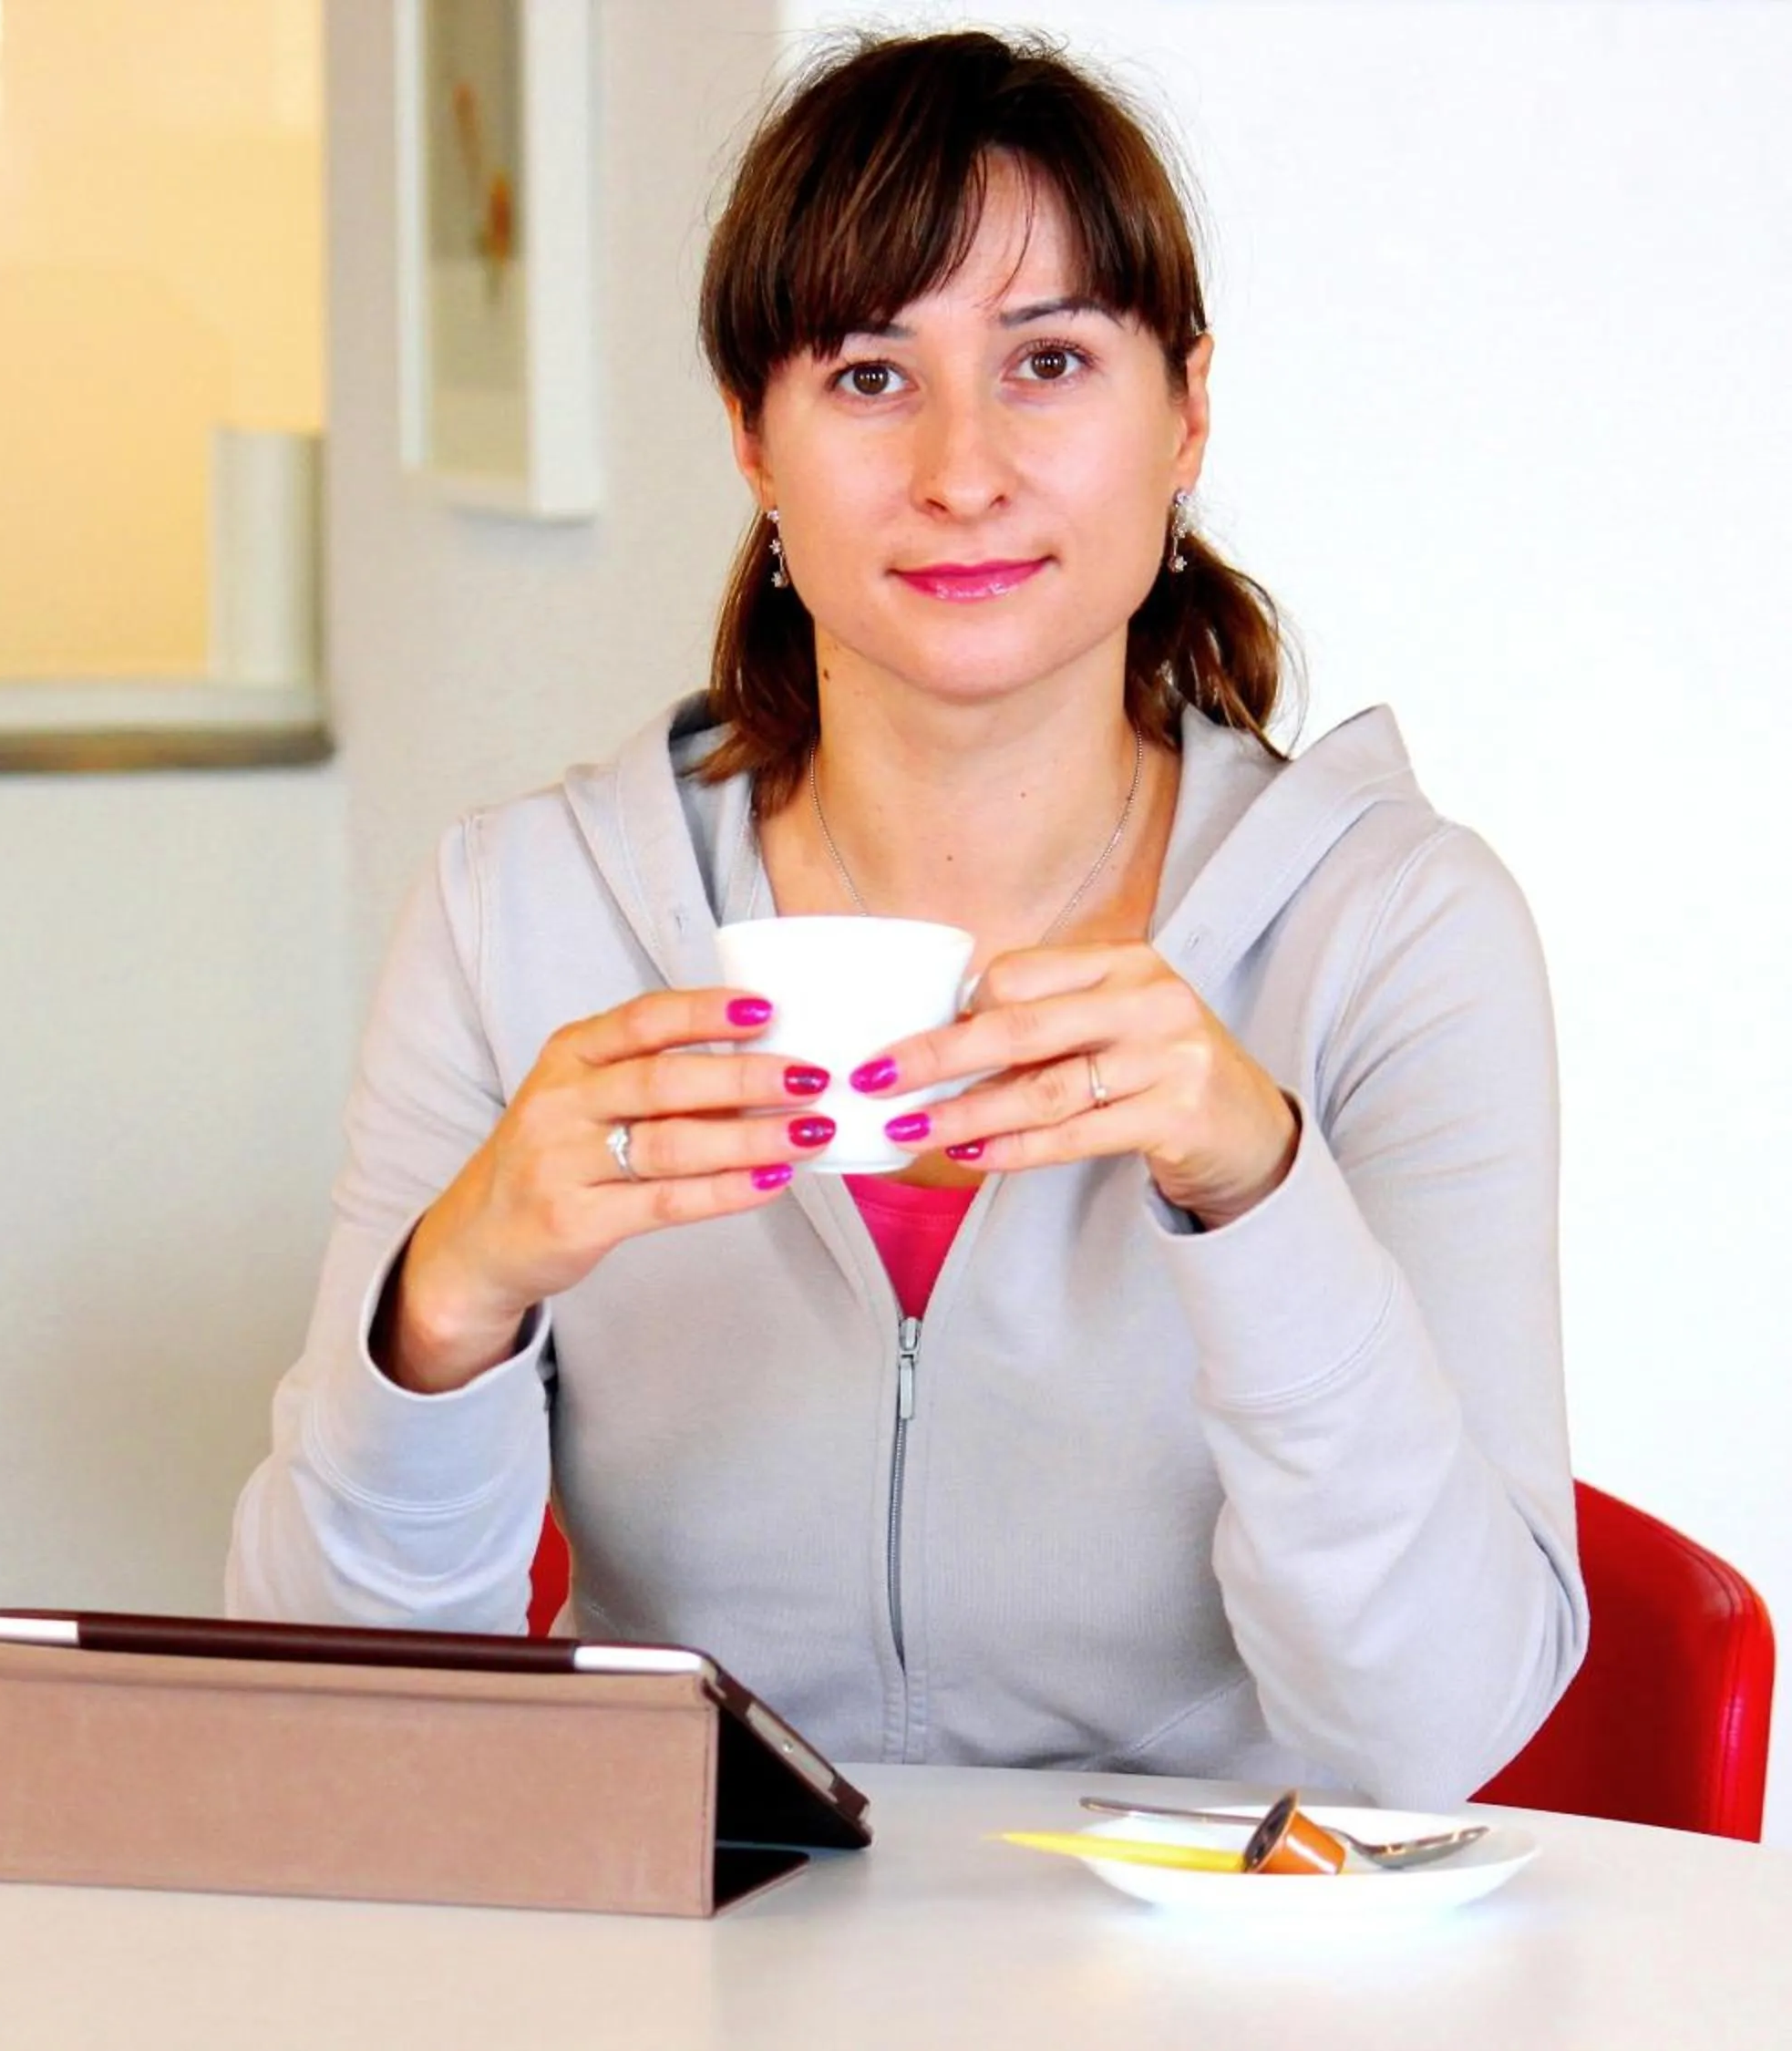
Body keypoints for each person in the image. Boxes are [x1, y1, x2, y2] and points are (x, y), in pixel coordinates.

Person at [226, 27, 1583, 1809]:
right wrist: (455, 1289)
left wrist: (1256, 1183)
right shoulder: (521, 911)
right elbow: (330, 1712)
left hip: (1204, 1970)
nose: (963, 467)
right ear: (752, 443)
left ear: (1185, 415)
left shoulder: (1395, 934)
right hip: (696, 1940)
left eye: (1050, 362)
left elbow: (1433, 1733)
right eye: (871, 376)